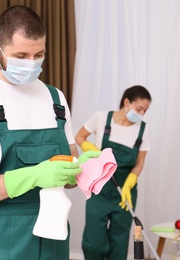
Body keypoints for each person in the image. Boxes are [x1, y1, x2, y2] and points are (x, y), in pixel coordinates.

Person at [0, 6, 99, 259]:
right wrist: (34, 175)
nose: (31, 63)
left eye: (39, 54)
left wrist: (83, 168)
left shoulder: (55, 98)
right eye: (21, 55)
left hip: (53, 240)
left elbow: (67, 180)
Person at [75, 85, 152, 260]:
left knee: (119, 242)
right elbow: (79, 137)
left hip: (125, 194)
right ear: (127, 102)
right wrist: (92, 149)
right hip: (99, 189)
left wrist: (130, 182)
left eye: (145, 111)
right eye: (139, 109)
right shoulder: (102, 118)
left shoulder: (143, 129)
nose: (142, 114)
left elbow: (139, 163)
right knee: (94, 243)